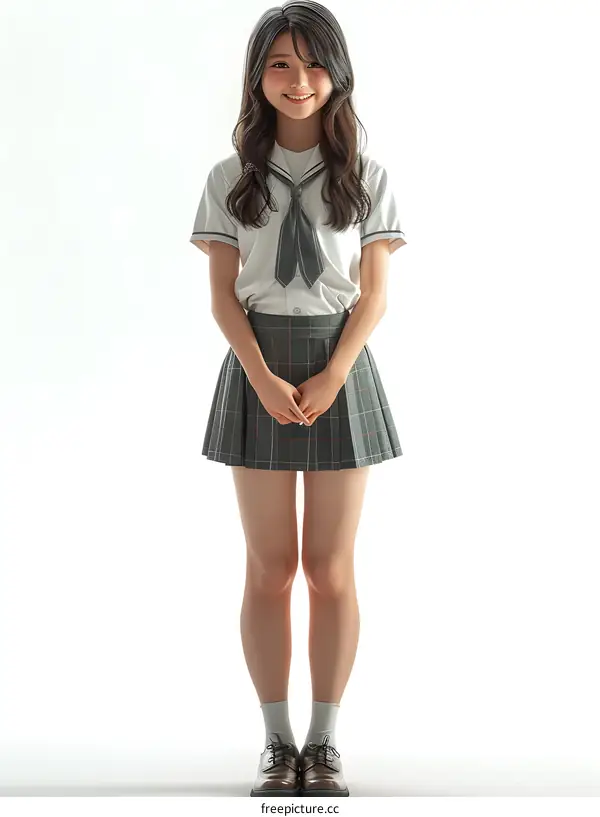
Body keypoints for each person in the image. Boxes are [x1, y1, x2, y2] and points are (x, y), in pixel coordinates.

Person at [189, 0, 407, 797]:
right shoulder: (229, 179)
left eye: (312, 63)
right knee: (270, 568)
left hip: (340, 362)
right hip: (258, 365)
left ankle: (327, 744)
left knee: (331, 570)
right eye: (279, 63)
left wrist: (334, 371)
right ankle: (276, 745)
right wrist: (262, 375)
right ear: (258, 77)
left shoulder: (368, 179)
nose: (298, 80)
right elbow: (222, 297)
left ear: (336, 73)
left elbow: (374, 296)